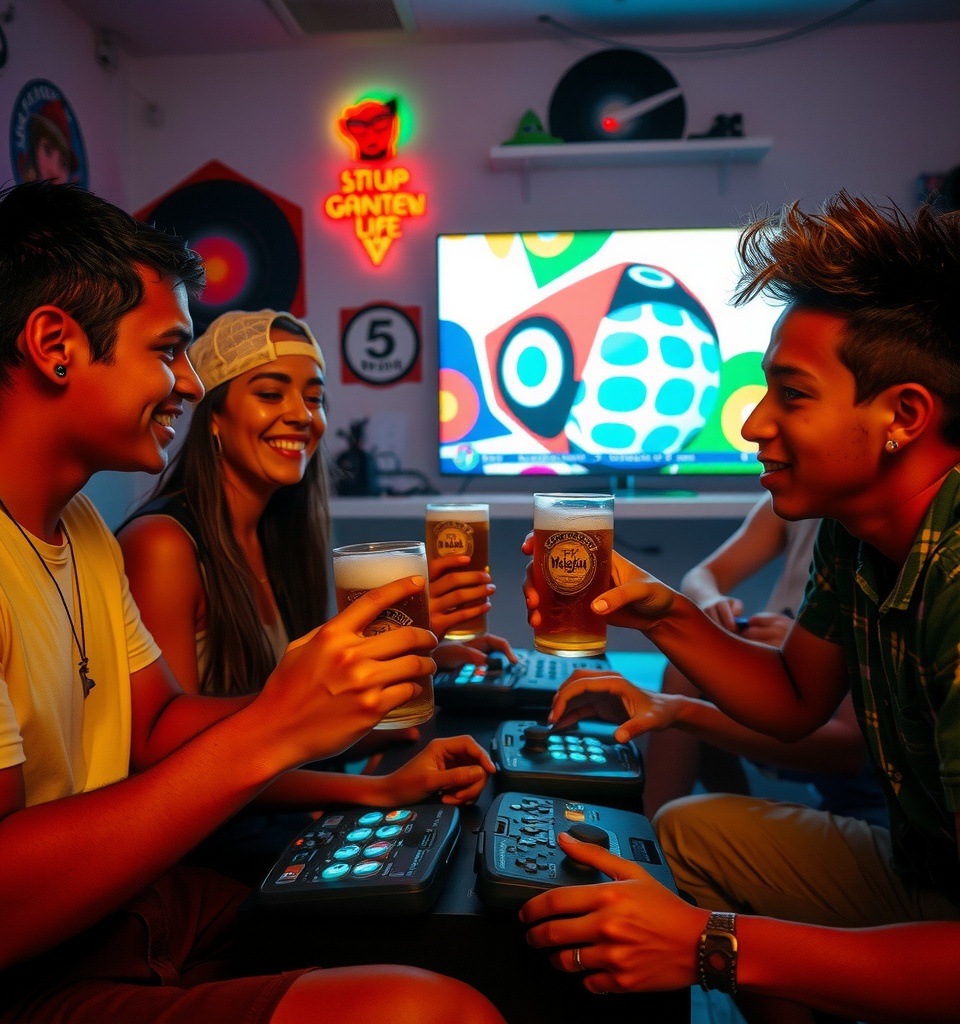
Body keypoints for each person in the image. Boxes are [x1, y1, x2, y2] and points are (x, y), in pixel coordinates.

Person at [0, 181, 506, 1024]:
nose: (185, 384)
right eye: (167, 351)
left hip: (114, 913)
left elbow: (157, 724)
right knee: (431, 1010)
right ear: (55, 345)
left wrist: (329, 707)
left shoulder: (82, 527)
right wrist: (278, 725)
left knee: (457, 921)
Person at [518, 192, 960, 1023]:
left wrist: (706, 944)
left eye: (791, 395)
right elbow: (796, 701)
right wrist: (657, 612)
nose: (754, 422)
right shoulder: (852, 529)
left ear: (903, 414)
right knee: (685, 829)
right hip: (927, 868)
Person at [115, 308, 504, 881]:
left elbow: (285, 725)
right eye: (272, 393)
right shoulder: (163, 544)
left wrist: (419, 654)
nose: (302, 416)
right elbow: (173, 757)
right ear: (214, 415)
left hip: (259, 821)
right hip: (206, 859)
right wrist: (376, 790)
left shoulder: (276, 536)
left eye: (315, 398)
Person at [639, 493, 886, 825]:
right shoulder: (796, 503)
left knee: (686, 683)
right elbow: (702, 576)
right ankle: (672, 824)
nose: (754, 438)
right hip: (787, 690)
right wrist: (711, 600)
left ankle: (663, 831)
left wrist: (807, 647)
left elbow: (848, 748)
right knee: (687, 670)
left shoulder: (870, 535)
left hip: (856, 752)